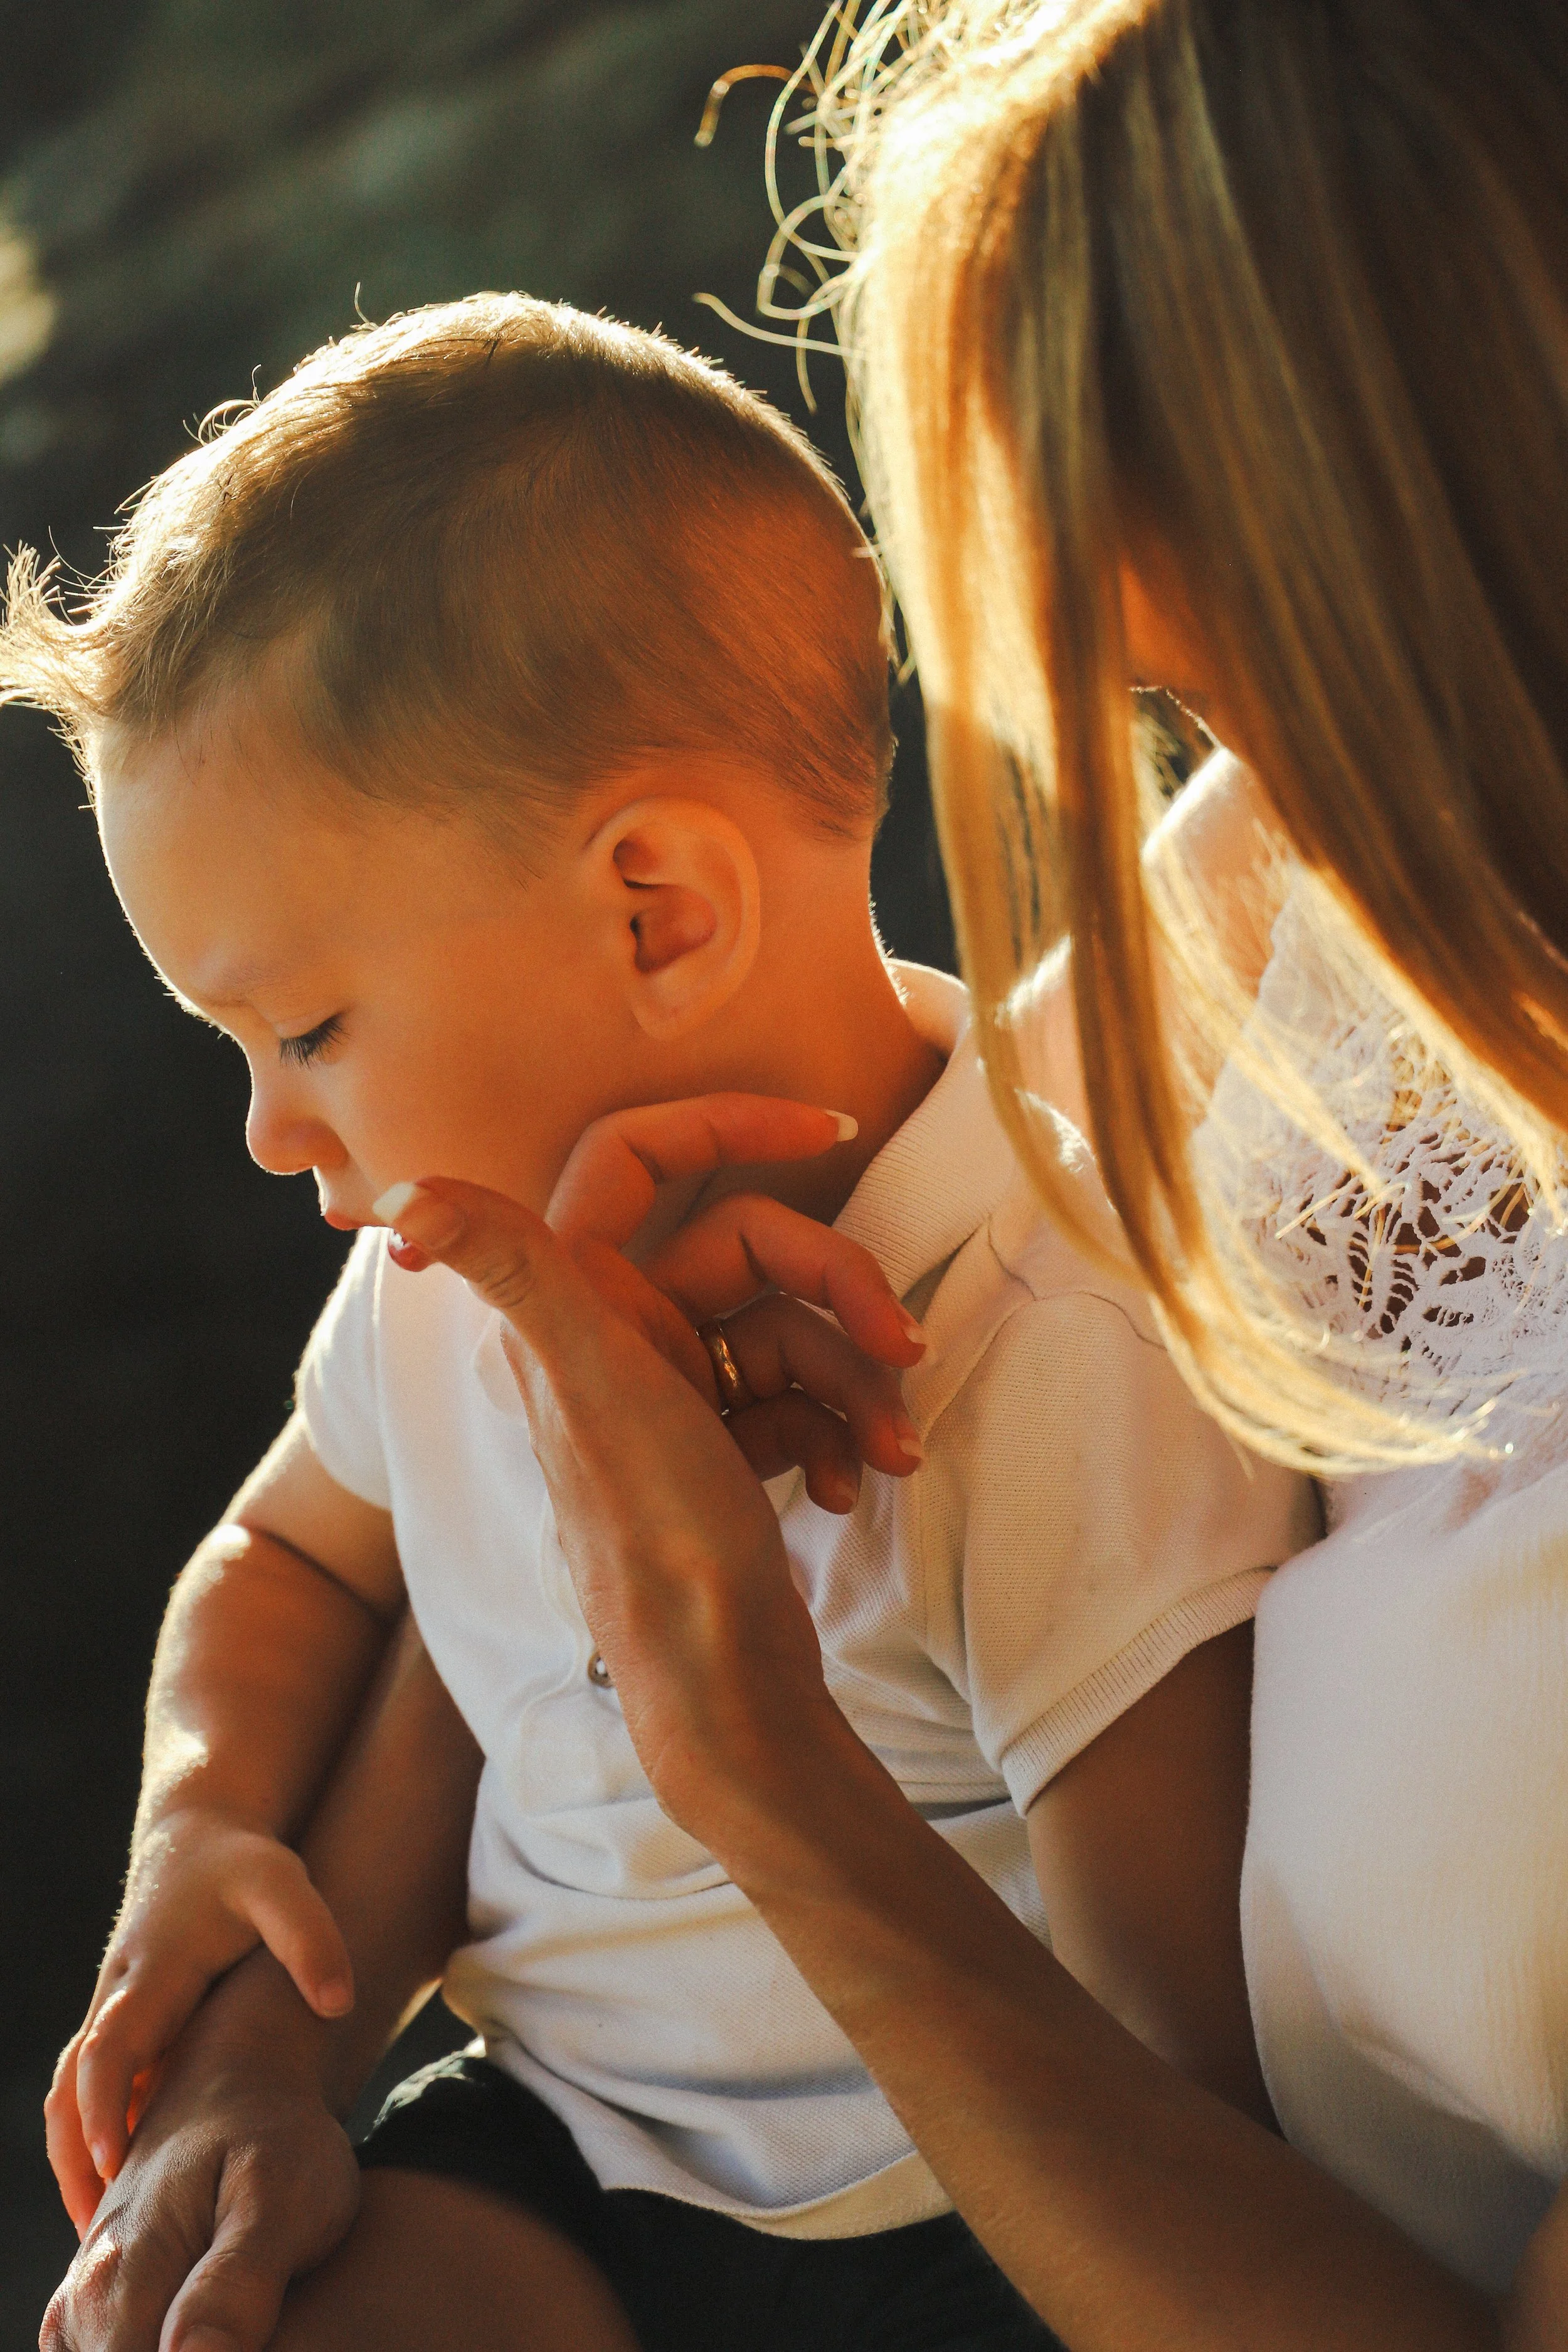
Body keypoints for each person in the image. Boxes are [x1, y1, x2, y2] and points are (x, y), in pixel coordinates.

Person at [6, 289, 1313, 2351]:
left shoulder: (1049, 1334)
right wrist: (208, 1839)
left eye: (308, 1028)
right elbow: (284, 1558)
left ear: (656, 912)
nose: (268, 1131)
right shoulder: (430, 1281)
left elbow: (1188, 2087)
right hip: (556, 2142)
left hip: (972, 2232)